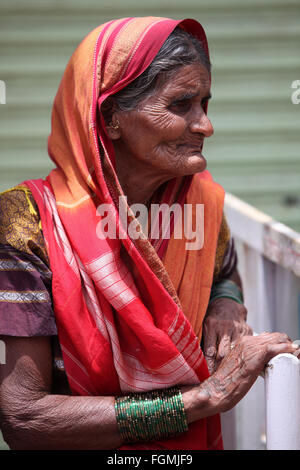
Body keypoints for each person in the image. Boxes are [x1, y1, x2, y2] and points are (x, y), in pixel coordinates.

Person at [0, 16, 298, 451]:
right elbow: (25, 419)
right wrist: (204, 398)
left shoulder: (202, 207)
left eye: (204, 104)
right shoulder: (26, 223)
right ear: (110, 117)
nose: (205, 125)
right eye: (181, 105)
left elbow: (225, 271)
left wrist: (227, 306)